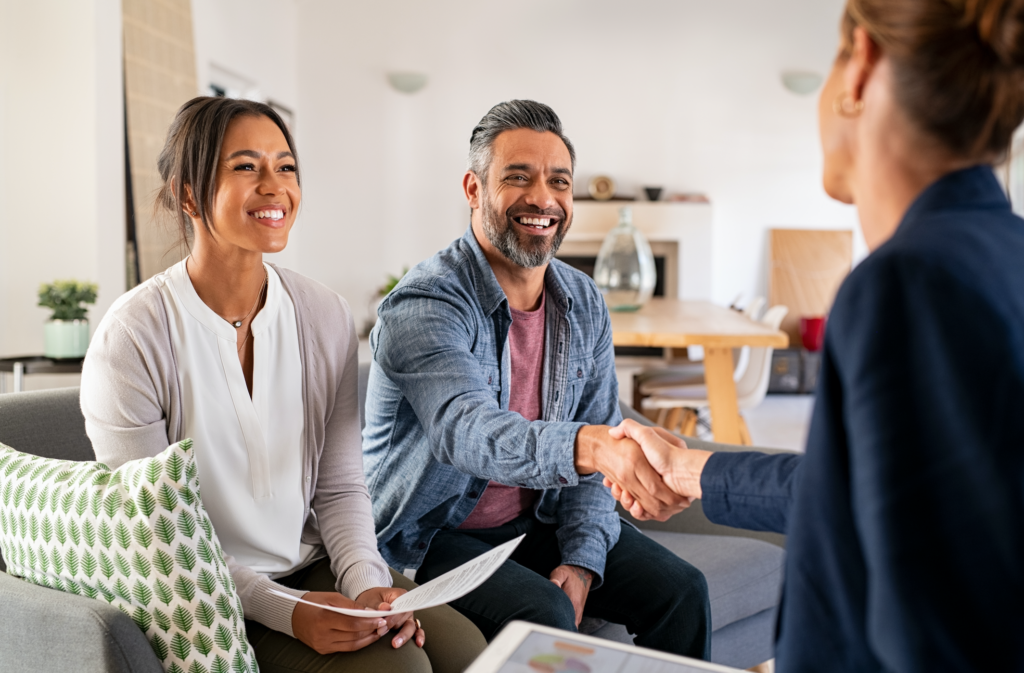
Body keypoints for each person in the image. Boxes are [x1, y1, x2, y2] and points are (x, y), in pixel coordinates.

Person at [603, 0, 1024, 670]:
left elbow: (931, 630)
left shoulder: (909, 284)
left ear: (861, 64)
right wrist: (690, 469)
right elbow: (861, 495)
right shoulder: (1002, 254)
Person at [80, 96, 486, 673]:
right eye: (246, 167)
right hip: (202, 594)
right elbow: (156, 535)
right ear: (189, 194)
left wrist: (368, 585)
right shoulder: (133, 336)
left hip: (308, 562)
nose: (275, 186)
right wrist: (287, 610)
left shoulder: (323, 314)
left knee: (466, 649)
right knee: (399, 669)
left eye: (286, 166)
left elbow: (342, 487)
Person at [362, 100, 710, 660]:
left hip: (534, 519)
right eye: (517, 178)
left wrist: (580, 559)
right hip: (431, 537)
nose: (543, 199)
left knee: (682, 592)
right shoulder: (425, 304)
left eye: (559, 182)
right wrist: (591, 445)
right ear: (474, 190)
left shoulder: (582, 300)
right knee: (542, 615)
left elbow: (595, 458)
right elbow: (466, 431)